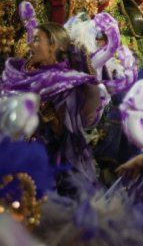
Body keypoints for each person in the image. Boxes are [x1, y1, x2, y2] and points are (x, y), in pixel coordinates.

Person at [1, 22, 107, 187]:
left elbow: (60, 131)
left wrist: (41, 112)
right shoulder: (26, 74)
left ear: (53, 46)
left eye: (37, 39)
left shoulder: (65, 82)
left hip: (45, 163)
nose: (30, 44)